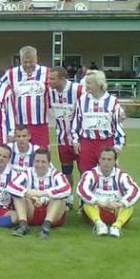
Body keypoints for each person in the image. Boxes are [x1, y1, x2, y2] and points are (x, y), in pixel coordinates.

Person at [77, 147, 140, 238]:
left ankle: (116, 226)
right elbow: (81, 189)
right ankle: (99, 225)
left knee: (129, 205)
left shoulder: (122, 176)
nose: (106, 162)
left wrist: (121, 203)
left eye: (109, 159)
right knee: (87, 203)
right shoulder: (90, 174)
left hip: (115, 210)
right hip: (96, 210)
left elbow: (135, 191)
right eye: (103, 159)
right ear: (99, 160)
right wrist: (99, 202)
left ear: (115, 161)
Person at [7, 148, 71, 238]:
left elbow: (67, 188)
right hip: (32, 211)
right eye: (37, 161)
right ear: (33, 162)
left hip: (52, 214)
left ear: (49, 163)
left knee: (59, 198)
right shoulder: (27, 173)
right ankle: (23, 225)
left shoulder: (56, 174)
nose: (40, 165)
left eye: (43, 162)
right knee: (18, 195)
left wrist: (43, 193)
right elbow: (10, 186)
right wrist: (27, 193)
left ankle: (45, 227)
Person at [72, 70, 125, 173]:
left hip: (106, 143)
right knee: (86, 174)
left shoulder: (112, 101)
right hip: (87, 143)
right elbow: (76, 122)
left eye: (89, 83)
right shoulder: (82, 100)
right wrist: (75, 141)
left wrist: (118, 145)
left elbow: (117, 125)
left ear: (99, 84)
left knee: (108, 174)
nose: (86, 86)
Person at [2, 46, 50, 147]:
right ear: (20, 60)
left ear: (36, 59)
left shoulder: (46, 72)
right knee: (20, 153)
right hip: (20, 124)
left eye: (31, 62)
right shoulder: (11, 74)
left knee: (41, 152)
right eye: (25, 62)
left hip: (40, 124)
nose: (28, 65)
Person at [48, 66, 84, 194]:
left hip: (80, 140)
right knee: (66, 171)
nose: (49, 81)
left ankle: (83, 199)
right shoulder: (50, 92)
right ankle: (68, 198)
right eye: (49, 78)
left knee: (84, 171)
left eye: (53, 79)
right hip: (62, 139)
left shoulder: (78, 90)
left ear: (62, 79)